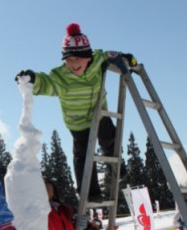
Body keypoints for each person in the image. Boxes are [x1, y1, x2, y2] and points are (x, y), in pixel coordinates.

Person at [16, 23, 136, 202]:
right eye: (68, 59)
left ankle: (118, 168)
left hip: (99, 114)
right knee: (83, 156)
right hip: (77, 122)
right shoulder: (61, 77)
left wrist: (127, 59)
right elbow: (46, 83)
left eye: (77, 59)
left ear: (88, 57)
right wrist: (32, 78)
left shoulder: (98, 60)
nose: (73, 64)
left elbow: (114, 55)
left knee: (110, 139)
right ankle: (90, 192)